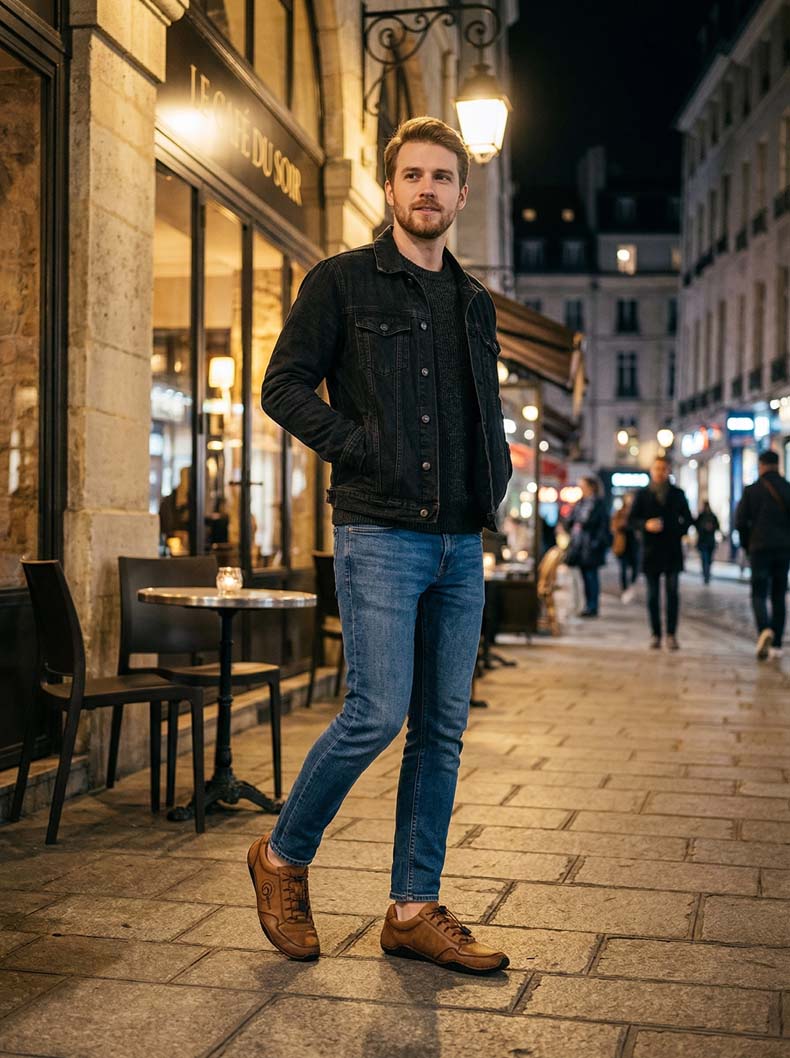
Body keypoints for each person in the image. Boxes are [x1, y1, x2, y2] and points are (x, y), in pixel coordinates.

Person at [249, 117, 512, 974]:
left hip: (459, 541)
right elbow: (282, 386)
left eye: (442, 177)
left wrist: (495, 481)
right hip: (379, 530)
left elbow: (480, 408)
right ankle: (282, 856)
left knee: (441, 730)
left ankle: (412, 907)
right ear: (391, 187)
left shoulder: (473, 301)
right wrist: (359, 447)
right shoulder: (342, 282)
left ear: (461, 195)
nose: (427, 189)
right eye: (413, 175)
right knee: (375, 712)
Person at [628, 455, 692, 650]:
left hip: (672, 550)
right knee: (652, 595)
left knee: (672, 594)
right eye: (657, 469)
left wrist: (675, 530)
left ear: (668, 471)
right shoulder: (642, 494)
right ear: (651, 471)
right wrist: (645, 525)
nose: (660, 472)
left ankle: (671, 634)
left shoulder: (677, 494)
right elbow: (631, 520)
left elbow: (688, 519)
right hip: (651, 550)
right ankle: (655, 633)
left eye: (663, 469)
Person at [735, 449, 790, 660]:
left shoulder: (752, 490)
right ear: (778, 465)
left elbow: (740, 522)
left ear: (761, 466)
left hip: (759, 549)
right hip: (783, 549)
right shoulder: (787, 488)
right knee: (778, 595)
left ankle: (764, 629)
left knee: (758, 592)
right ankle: (776, 644)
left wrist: (746, 545)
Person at [566, 476, 609, 617]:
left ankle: (592, 606)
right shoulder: (580, 503)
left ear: (591, 487)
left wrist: (597, 543)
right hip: (579, 545)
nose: (580, 488)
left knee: (591, 576)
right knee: (584, 576)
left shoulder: (598, 504)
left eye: (582, 485)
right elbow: (571, 520)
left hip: (591, 545)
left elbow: (602, 526)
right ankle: (587, 605)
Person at [611, 492, 639, 602]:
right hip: (622, 544)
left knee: (636, 568)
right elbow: (614, 526)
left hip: (634, 544)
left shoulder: (637, 512)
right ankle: (624, 588)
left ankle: (632, 585)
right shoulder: (619, 512)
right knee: (623, 568)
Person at [694, 500, 720, 585]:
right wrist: (703, 528)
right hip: (703, 542)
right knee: (704, 559)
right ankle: (706, 575)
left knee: (708, 560)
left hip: (710, 542)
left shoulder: (712, 516)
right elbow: (696, 526)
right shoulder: (701, 516)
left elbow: (717, 526)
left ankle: (707, 574)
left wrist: (711, 527)